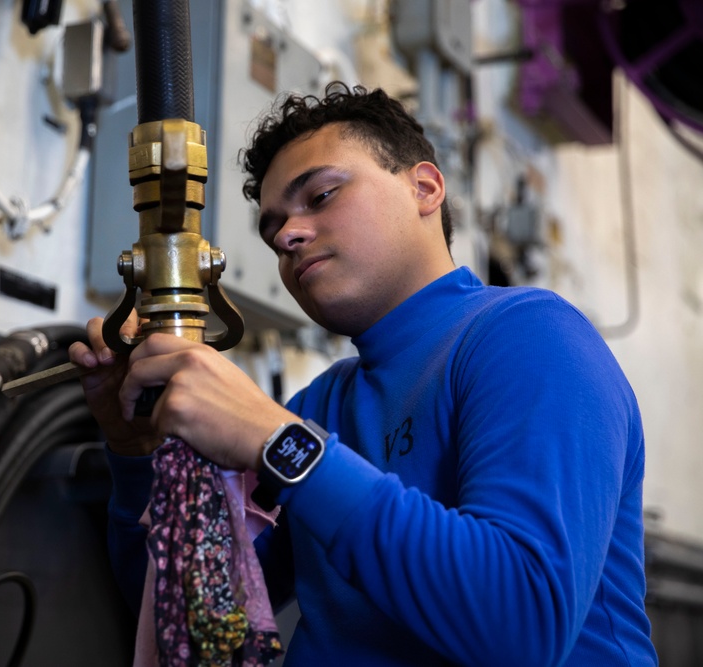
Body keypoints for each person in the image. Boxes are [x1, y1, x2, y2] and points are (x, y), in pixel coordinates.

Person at [69, 83, 658, 665]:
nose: (289, 236)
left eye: (321, 196)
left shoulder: (529, 336)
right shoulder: (321, 403)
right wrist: (137, 450)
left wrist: (279, 442)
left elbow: (522, 625)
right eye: (274, 232)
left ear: (424, 188)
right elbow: (198, 630)